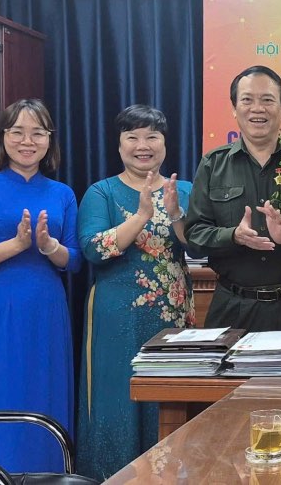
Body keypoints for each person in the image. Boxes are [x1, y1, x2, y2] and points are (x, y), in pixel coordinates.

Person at [0, 99, 81, 472]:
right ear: (3, 137)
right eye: (17, 132)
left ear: (49, 140)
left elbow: (74, 260)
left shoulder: (62, 193)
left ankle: (51, 474)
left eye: (38, 133)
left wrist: (49, 246)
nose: (27, 141)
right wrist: (17, 245)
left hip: (47, 310)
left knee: (45, 395)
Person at [74, 105, 194, 480]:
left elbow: (198, 245)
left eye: (152, 137)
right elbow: (94, 248)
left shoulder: (185, 190)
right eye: (133, 137)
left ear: (164, 143)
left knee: (170, 404)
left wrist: (175, 214)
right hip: (116, 317)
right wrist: (141, 216)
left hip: (172, 316)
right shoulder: (102, 192)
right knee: (117, 402)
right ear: (119, 144)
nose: (143, 145)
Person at [185, 65, 281, 331]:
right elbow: (194, 235)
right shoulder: (213, 164)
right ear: (234, 108)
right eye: (247, 100)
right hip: (233, 308)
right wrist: (233, 236)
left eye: (267, 100)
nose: (257, 109)